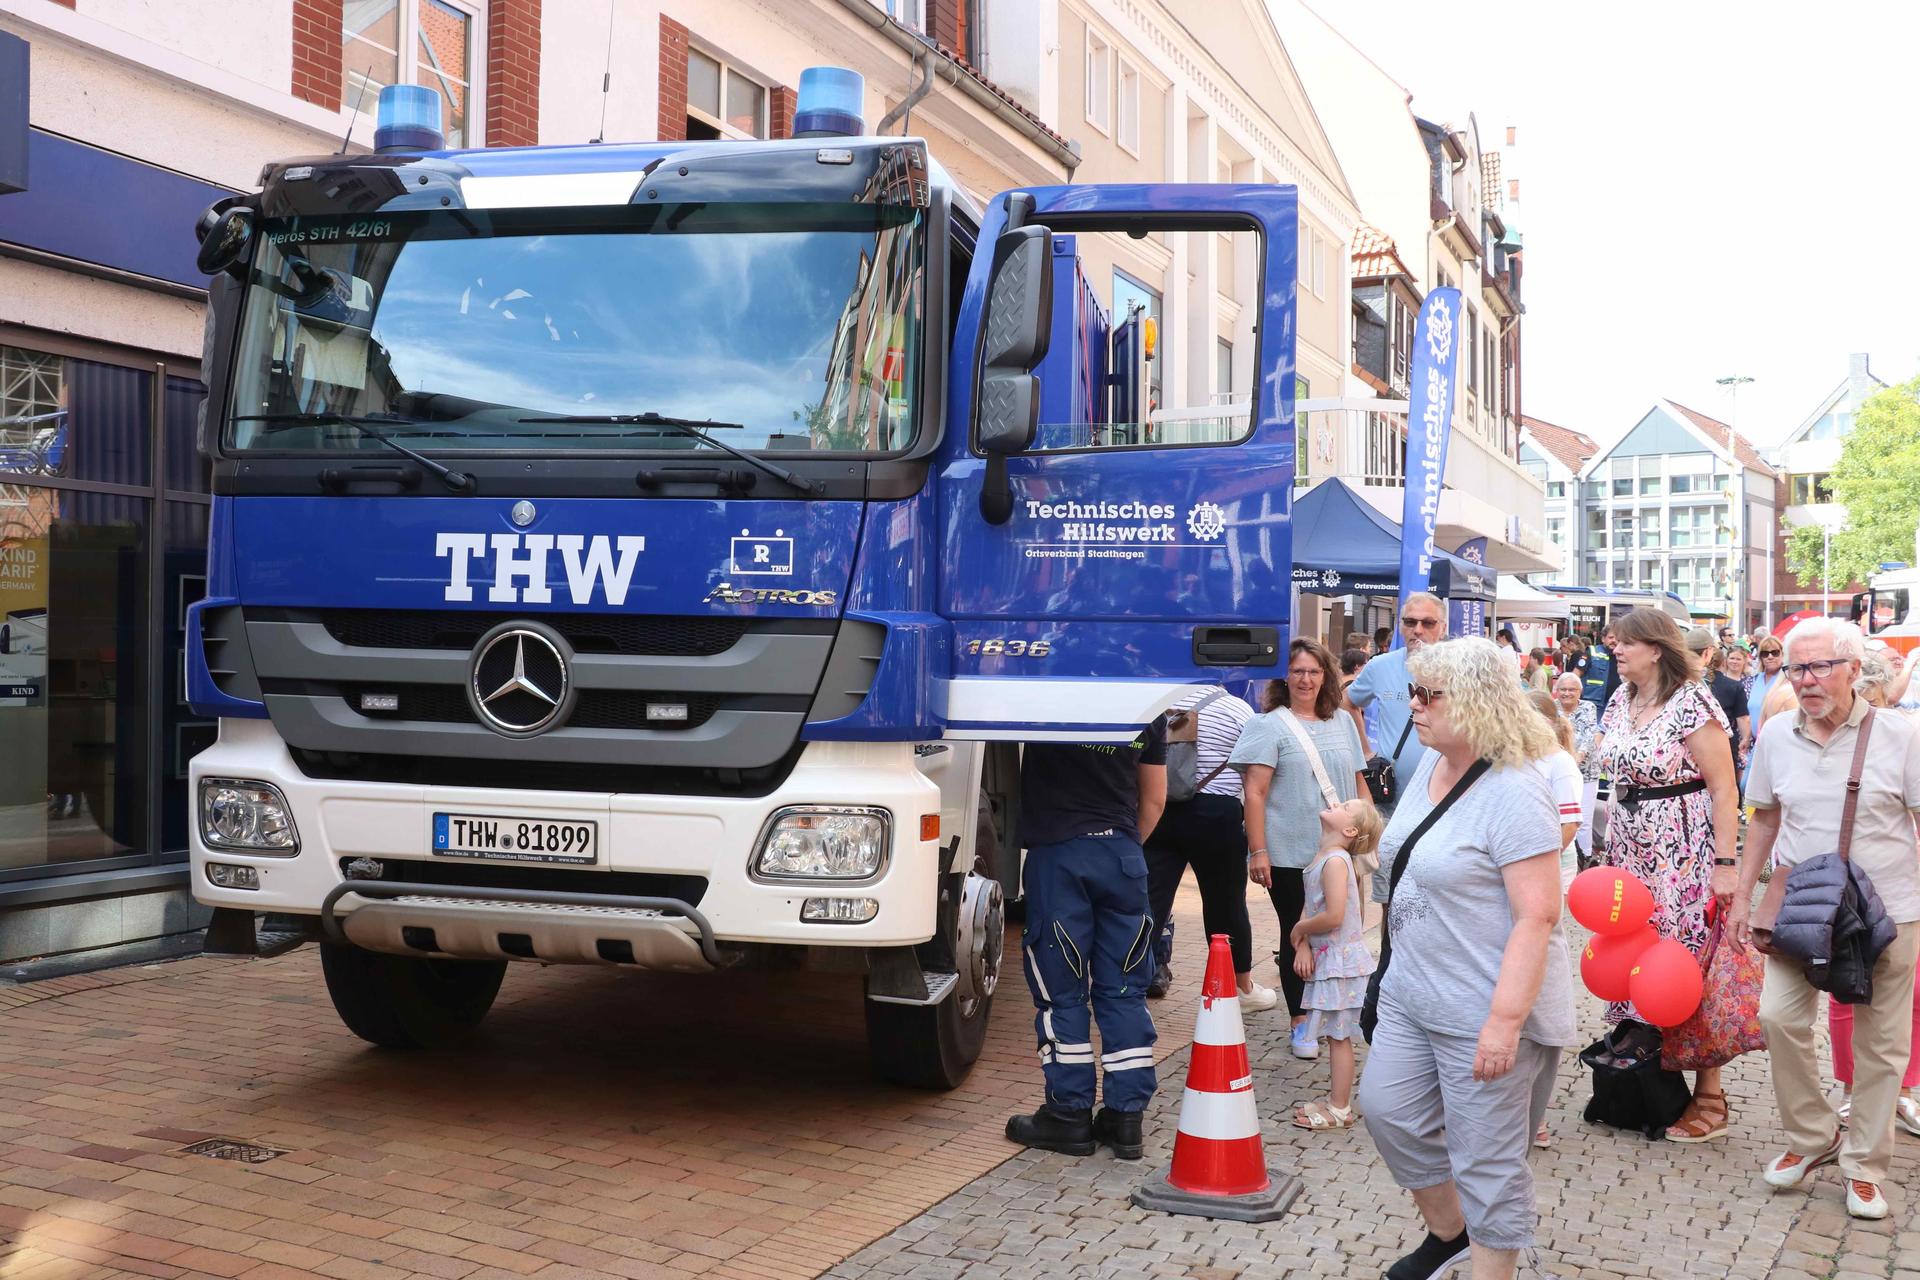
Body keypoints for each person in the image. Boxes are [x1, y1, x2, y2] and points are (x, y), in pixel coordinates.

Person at [1356, 638, 1572, 1280]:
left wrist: (1505, 1023)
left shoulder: (1515, 791)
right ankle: (1451, 1234)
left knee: (1488, 1163)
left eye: (1429, 695)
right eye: (1412, 692)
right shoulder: (1430, 763)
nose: (1413, 705)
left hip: (1482, 1005)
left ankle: (1491, 1265)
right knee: (1389, 1113)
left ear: (1476, 704)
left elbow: (1539, 914)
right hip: (1410, 991)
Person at [1731, 618, 1920, 1220]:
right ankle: (1815, 1137)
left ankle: (1864, 1167)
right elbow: (1762, 819)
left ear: (1852, 670)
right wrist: (1741, 895)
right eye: (1794, 668)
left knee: (1881, 1045)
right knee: (1777, 1018)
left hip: (1890, 910)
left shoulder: (1904, 735)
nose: (1805, 680)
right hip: (1802, 910)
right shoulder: (1776, 737)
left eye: (1818, 668)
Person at [1594, 608, 1740, 1142]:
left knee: (1686, 958)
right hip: (1630, 846)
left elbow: (1724, 788)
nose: (1615, 648)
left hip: (1682, 846)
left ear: (1655, 648)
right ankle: (1645, 1079)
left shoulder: (1692, 702)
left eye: (1625, 642)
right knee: (1634, 953)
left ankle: (1710, 1094)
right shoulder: (1620, 699)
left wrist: (1725, 864)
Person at [1006, 720, 1168, 1160]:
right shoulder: (1149, 707)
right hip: (1122, 857)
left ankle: (1068, 1115)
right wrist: (1120, 847)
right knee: (1124, 990)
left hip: (1060, 857)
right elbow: (1154, 799)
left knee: (1062, 993)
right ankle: (1125, 1119)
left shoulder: (1052, 694)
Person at [1235, 638, 1368, 1062]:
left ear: (1326, 675)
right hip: (1291, 853)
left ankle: (1336, 1017)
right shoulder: (1268, 725)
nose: (1305, 679)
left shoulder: (1343, 722)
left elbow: (1359, 782)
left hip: (1341, 851)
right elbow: (1254, 793)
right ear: (1284, 677)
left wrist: (1368, 838)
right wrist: (1258, 851)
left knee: (1341, 933)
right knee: (1299, 934)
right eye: (1297, 671)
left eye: (1313, 671)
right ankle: (1300, 1020)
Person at [1823, 649, 1920, 1141]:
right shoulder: (1826, 738)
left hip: (1901, 889)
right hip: (1847, 890)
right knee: (1847, 992)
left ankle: (1901, 1088)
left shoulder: (1904, 734)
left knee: (1910, 996)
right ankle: (1850, 1089)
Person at [1144, 686, 1276, 1010]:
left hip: (1160, 809)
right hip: (1217, 815)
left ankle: (1130, 981)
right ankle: (1240, 987)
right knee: (1225, 903)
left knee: (1149, 901)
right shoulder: (1237, 710)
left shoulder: (1160, 702)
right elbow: (1253, 773)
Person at [1344, 592, 1449, 903]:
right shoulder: (1380, 666)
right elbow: (1346, 702)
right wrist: (1364, 750)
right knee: (1391, 896)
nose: (1417, 629)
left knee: (1436, 897)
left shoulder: (1457, 667)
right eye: (1410, 622)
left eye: (1427, 623)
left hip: (1445, 802)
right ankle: (1389, 953)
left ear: (1441, 627)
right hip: (1393, 804)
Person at [1289, 797, 1385, 1131]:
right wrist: (1302, 945)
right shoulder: (1324, 857)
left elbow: (1333, 915)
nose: (1337, 802)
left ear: (1349, 830)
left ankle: (1340, 1107)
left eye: (1346, 805)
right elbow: (1311, 904)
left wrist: (1299, 930)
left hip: (1340, 962)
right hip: (1328, 959)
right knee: (1335, 1035)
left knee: (1340, 1036)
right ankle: (1337, 1101)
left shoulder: (1335, 862)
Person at [1688, 627, 1751, 774]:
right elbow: (1742, 718)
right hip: (1724, 745)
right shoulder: (1733, 686)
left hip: (1692, 749)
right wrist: (1746, 740)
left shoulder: (1679, 682)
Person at [1554, 671, 1602, 865]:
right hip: (1558, 773)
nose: (1567, 693)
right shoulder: (1552, 708)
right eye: (1563, 689)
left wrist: (1577, 758)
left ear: (1580, 692)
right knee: (1559, 818)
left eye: (1571, 689)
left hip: (1586, 772)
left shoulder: (1588, 708)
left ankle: (1586, 858)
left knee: (1583, 820)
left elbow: (1590, 735)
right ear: (1556, 691)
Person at [1747, 637, 1788, 736]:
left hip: (1779, 740)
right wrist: (1747, 738)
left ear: (1782, 654)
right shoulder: (1754, 680)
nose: (1770, 657)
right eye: (1765, 654)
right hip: (1756, 743)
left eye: (1775, 652)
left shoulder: (1788, 679)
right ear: (1761, 657)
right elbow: (1752, 715)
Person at [1340, 647, 1372, 752]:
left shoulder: (1335, 682)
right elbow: (1359, 725)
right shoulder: (1355, 690)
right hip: (1351, 742)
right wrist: (1367, 751)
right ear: (1357, 667)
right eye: (1366, 664)